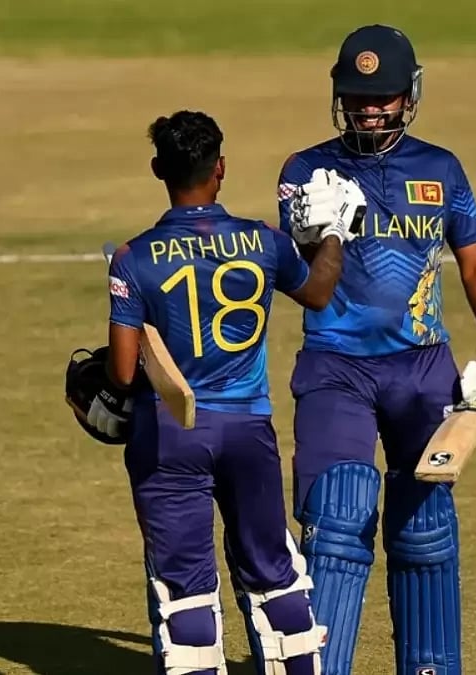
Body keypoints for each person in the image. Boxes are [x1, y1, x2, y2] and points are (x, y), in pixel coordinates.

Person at [274, 25, 476, 675]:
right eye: (358, 96)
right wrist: (318, 229)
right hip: (336, 368)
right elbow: (303, 275)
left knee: (425, 527)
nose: (369, 108)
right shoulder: (307, 170)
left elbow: (474, 262)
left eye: (383, 95)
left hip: (422, 367)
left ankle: (430, 666)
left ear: (408, 94)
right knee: (337, 518)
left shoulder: (441, 168)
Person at [66, 109, 359, 675]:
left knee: (186, 589)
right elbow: (320, 292)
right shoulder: (265, 241)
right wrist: (332, 234)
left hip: (171, 438)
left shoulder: (134, 258)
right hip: (250, 430)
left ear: (158, 169)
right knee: (273, 571)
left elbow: (124, 375)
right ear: (220, 167)